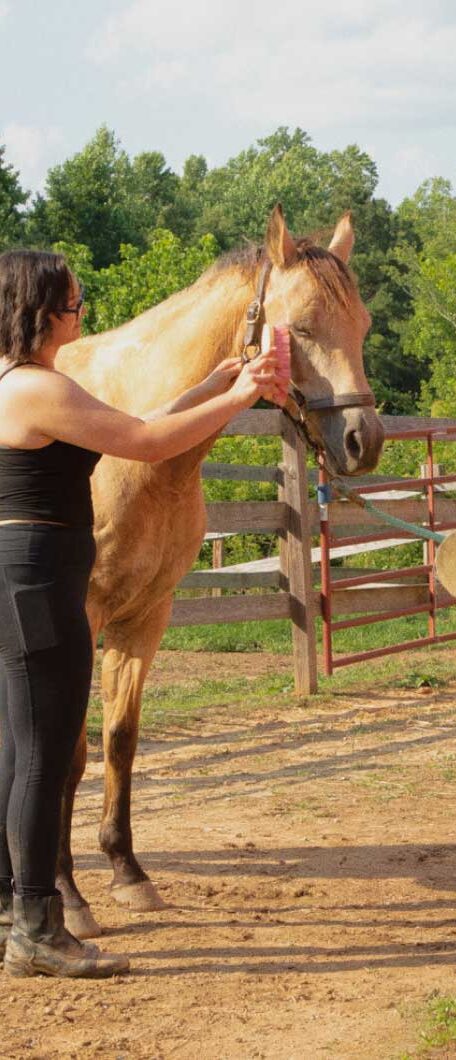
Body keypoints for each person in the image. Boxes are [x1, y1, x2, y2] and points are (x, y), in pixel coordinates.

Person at [0, 249, 289, 978]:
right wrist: (243, 396)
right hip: (38, 584)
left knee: (14, 745)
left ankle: (11, 903)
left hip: (23, 579)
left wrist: (212, 384)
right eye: (71, 302)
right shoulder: (37, 388)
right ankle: (36, 925)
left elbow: (132, 422)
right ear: (38, 312)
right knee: (42, 753)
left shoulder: (18, 384)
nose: (81, 312)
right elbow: (145, 442)